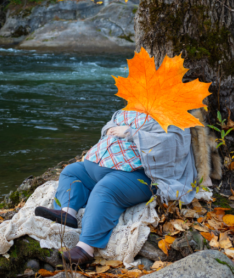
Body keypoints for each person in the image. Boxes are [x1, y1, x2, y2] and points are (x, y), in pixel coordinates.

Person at [33, 108, 196, 265]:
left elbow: (172, 145)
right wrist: (110, 129)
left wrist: (132, 133)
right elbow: (108, 126)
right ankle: (67, 213)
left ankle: (86, 248)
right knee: (71, 172)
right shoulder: (131, 107)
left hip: (137, 174)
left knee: (106, 189)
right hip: (101, 165)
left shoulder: (174, 116)